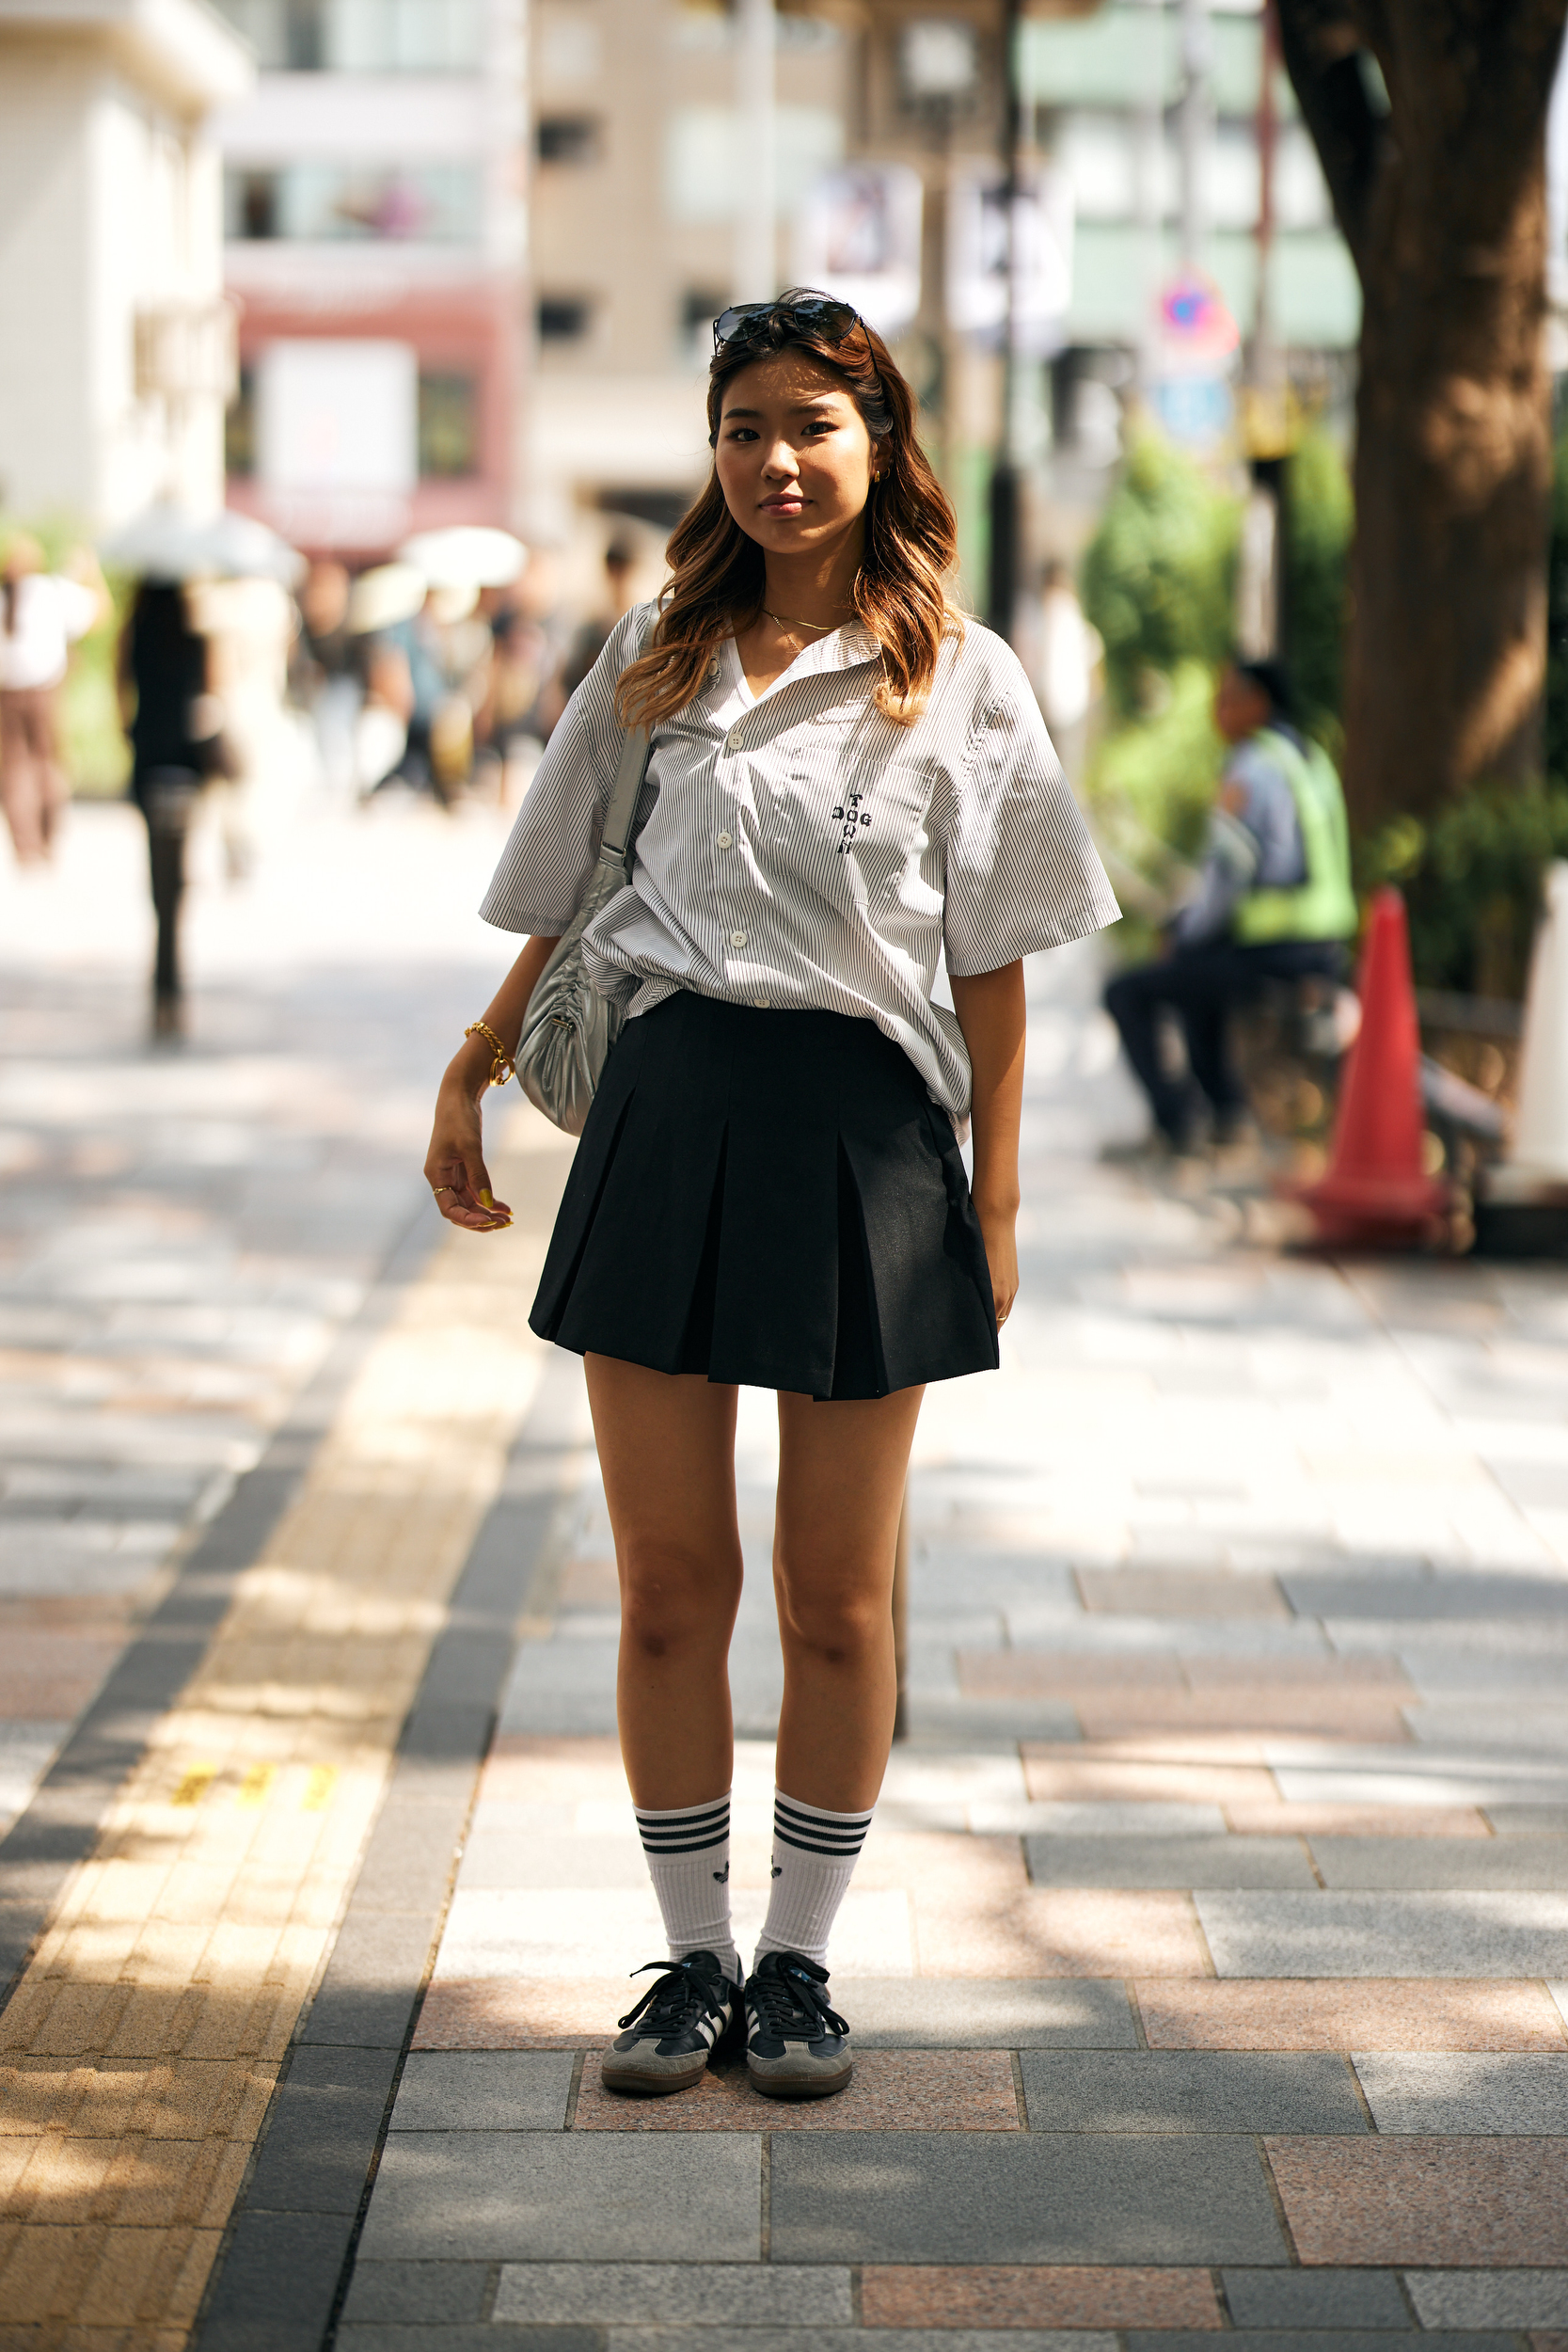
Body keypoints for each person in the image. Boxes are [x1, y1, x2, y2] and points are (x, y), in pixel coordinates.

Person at [422, 290, 1117, 2103]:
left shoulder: (960, 675)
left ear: (878, 441)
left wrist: (1000, 1202)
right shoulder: (658, 651)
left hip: (869, 1143)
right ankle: (688, 1962)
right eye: (744, 427)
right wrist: (475, 1061)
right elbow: (574, 882)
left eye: (812, 423)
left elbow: (998, 964)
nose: (775, 461)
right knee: (665, 1581)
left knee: (833, 1597)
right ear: (710, 452)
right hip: (666, 1114)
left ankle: (800, 1966)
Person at [1103, 657, 1357, 1153]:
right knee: (1199, 977)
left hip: (1275, 946)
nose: (1218, 711)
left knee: (1128, 992)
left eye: (1228, 699)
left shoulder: (1250, 768)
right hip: (1324, 944)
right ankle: (1226, 1116)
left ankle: (1180, 1124)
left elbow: (1228, 873)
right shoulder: (1309, 758)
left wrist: (1182, 932)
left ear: (1258, 704)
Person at [118, 581, 219, 1035]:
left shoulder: (135, 634)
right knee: (175, 880)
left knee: (160, 880)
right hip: (185, 765)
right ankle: (171, 988)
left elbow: (120, 691)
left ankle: (163, 990)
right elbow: (212, 703)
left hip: (150, 762)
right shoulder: (198, 638)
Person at [0, 535, 108, 865]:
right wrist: (93, 571)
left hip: (7, 692)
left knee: (14, 769)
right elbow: (99, 613)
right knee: (48, 763)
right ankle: (48, 837)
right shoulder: (52, 591)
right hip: (44, 691)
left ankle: (26, 845)